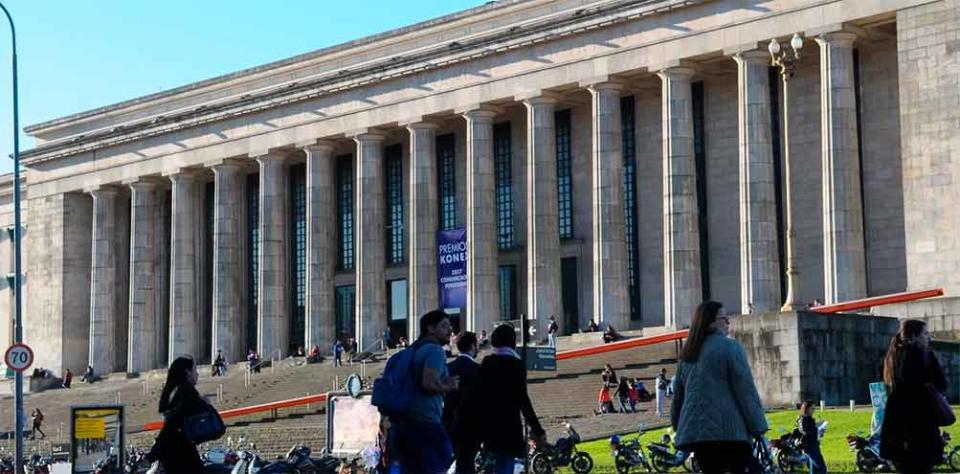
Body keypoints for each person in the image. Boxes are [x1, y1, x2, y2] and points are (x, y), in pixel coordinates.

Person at [671, 301, 767, 474]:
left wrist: (679, 427)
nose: (728, 322)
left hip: (699, 437)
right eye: (724, 318)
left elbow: (678, 399)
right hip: (730, 432)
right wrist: (758, 426)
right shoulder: (730, 347)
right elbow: (745, 392)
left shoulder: (687, 355)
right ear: (711, 322)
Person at [466, 323, 545, 474]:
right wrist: (537, 429)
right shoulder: (516, 364)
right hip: (509, 426)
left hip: (488, 426)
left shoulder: (487, 363)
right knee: (505, 465)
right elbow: (523, 399)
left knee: (491, 466)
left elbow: (477, 394)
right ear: (513, 342)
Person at [388, 310, 459, 473]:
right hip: (425, 426)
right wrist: (449, 385)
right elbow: (429, 383)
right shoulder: (434, 350)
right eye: (445, 326)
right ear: (430, 328)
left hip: (401, 426)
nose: (450, 330)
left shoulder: (409, 351)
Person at [880, 319, 948, 473]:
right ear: (914, 336)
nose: (927, 337)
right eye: (924, 333)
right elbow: (941, 383)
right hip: (920, 422)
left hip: (896, 424)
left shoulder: (891, 357)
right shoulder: (924, 356)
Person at [146, 356, 206, 472]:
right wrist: (203, 404)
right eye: (195, 370)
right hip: (182, 453)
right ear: (187, 372)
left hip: (170, 453)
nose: (197, 374)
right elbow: (174, 422)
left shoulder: (170, 391)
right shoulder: (186, 390)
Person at [443, 332, 481, 474]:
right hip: (472, 425)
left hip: (450, 423)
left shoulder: (448, 368)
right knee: (466, 464)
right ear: (472, 346)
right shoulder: (478, 370)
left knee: (460, 463)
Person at [797, 401, 826, 474]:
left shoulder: (808, 419)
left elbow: (811, 430)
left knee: (814, 469)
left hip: (813, 445)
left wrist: (819, 430)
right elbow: (805, 431)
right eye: (812, 408)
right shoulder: (804, 419)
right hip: (809, 446)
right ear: (806, 408)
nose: (813, 410)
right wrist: (818, 430)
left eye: (814, 408)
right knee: (821, 468)